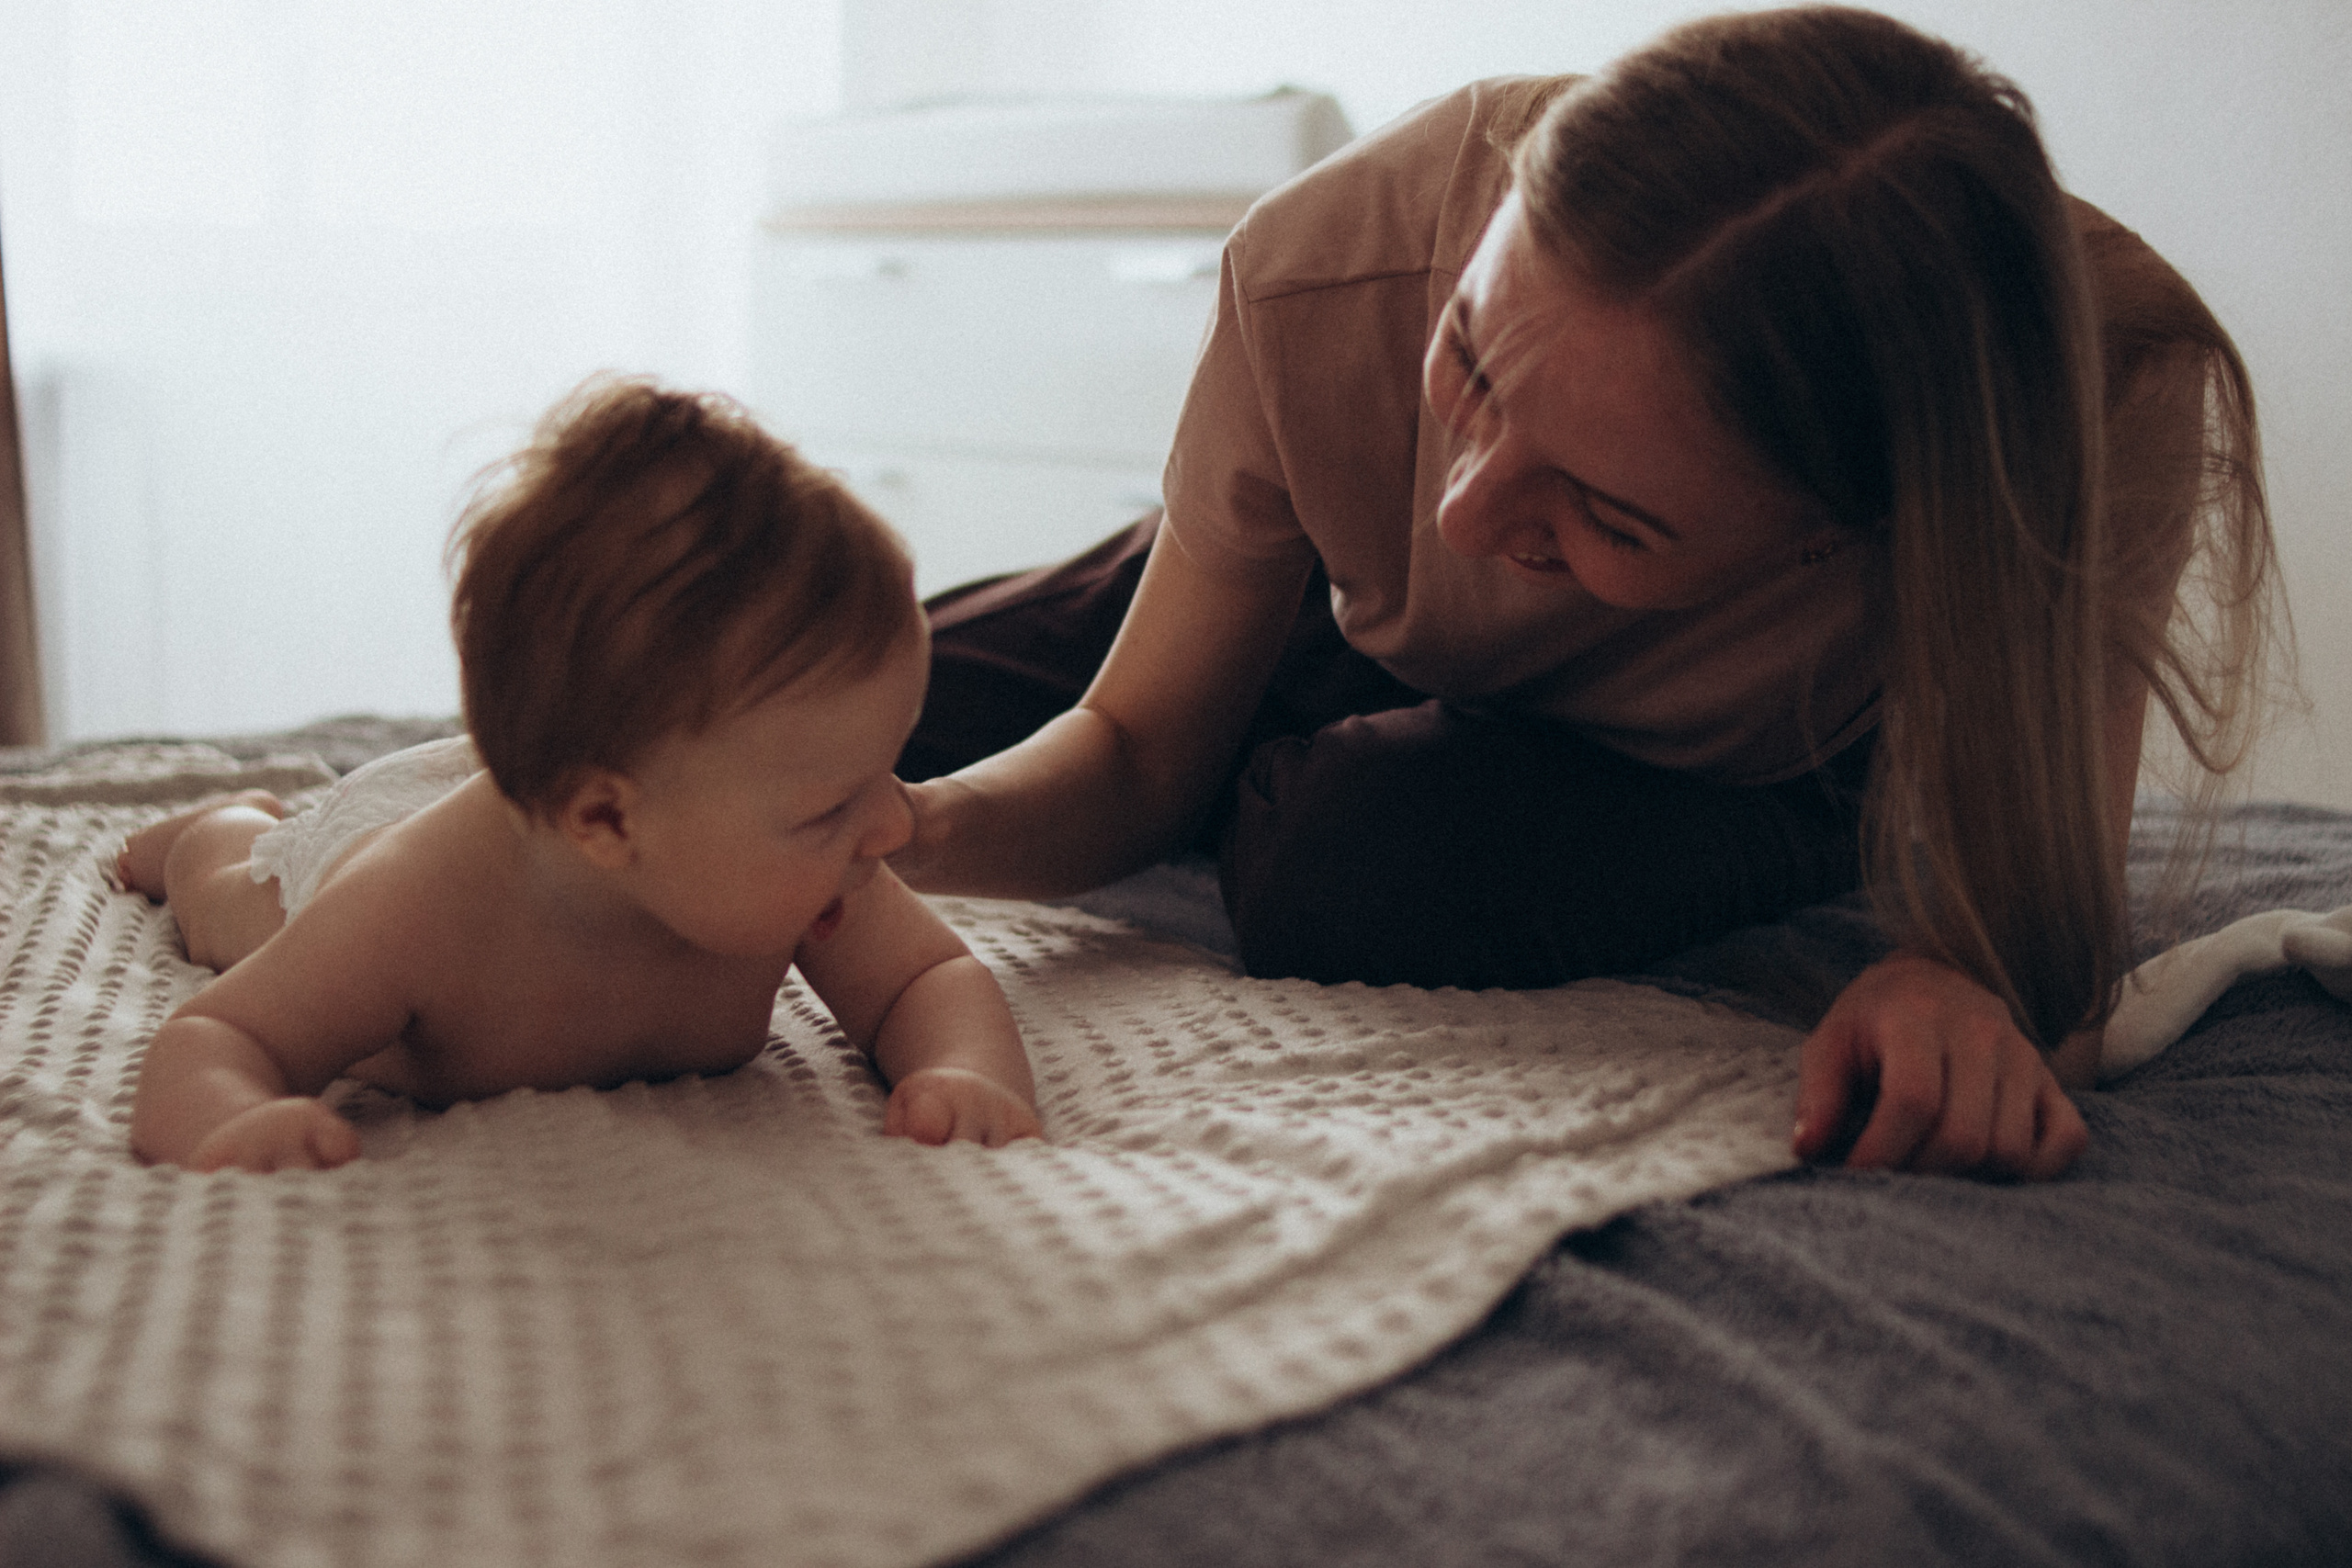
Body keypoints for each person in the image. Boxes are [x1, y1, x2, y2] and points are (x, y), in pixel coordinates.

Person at [888, 6, 2282, 1181]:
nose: (1464, 510)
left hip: (1720, 752)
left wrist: (1965, 981)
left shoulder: (2095, 399)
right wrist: (907, 824)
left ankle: (1817, 808)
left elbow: (2046, 901)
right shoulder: (1332, 256)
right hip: (1324, 584)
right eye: (1472, 368)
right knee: (827, 697)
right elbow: (1137, 740)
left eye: (1611, 513)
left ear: (1841, 539)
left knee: (1347, 861)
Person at [122, 378, 1043, 1172]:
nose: (892, 823)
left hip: (549, 789)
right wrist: (234, 1116)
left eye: (886, 771)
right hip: (368, 836)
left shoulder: (809, 871)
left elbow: (928, 979)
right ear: (607, 820)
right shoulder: (410, 909)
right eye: (834, 803)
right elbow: (218, 1036)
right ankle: (214, 826)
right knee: (230, 900)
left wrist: (962, 1072)